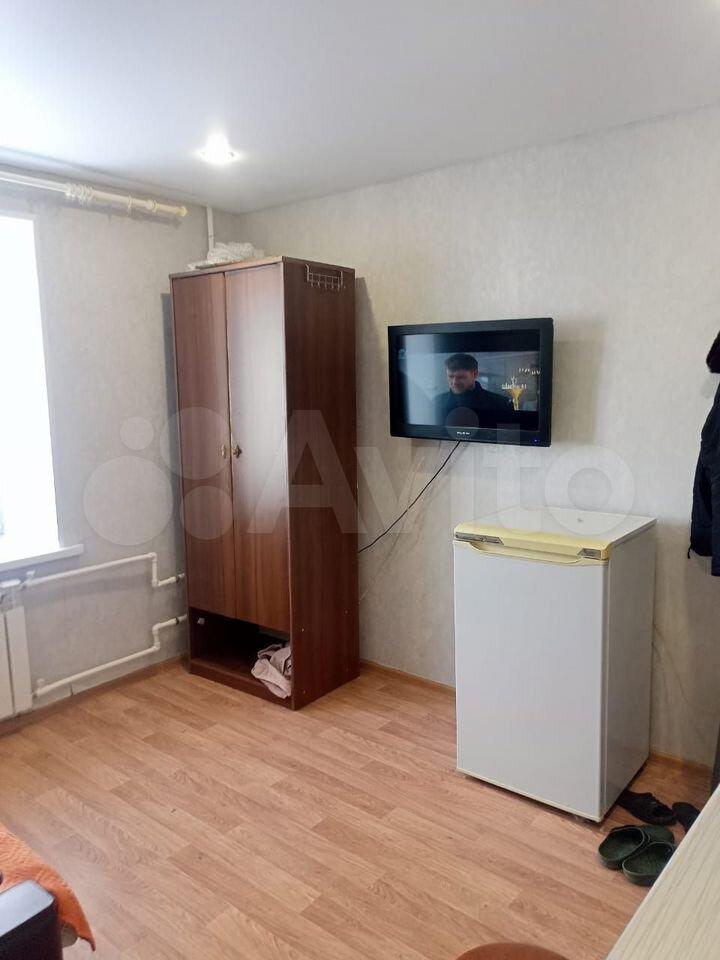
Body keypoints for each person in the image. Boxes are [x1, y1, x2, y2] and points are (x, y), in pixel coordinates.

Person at [436, 353, 513, 426]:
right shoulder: (436, 402)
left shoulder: (502, 404)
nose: (454, 382)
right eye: (450, 376)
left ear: (475, 374)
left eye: (461, 377)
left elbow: (509, 435)